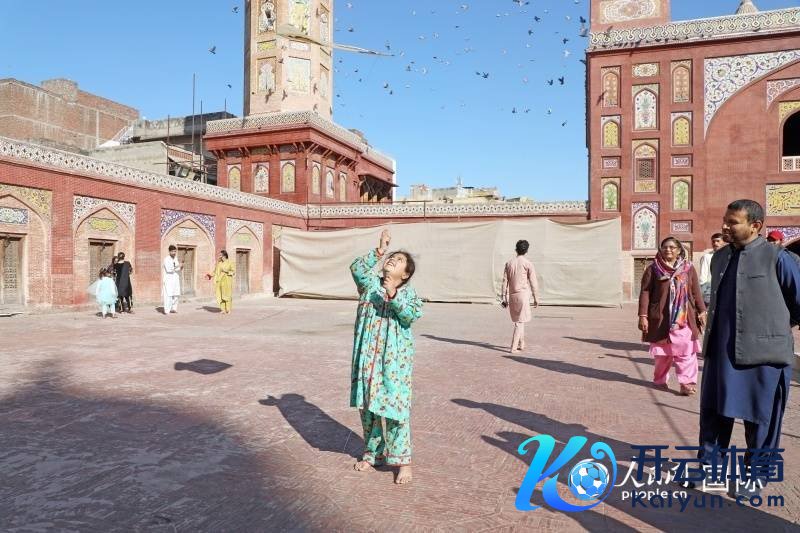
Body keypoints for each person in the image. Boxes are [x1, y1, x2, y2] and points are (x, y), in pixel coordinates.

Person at [699, 199, 800, 498]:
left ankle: (756, 476)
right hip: (721, 353)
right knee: (714, 415)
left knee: (760, 420)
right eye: (725, 220)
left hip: (764, 357)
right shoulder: (719, 258)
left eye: (733, 222)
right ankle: (710, 470)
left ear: (755, 225)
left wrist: (772, 328)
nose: (725, 226)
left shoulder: (778, 258)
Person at [350, 229, 423, 485]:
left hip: (393, 365)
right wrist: (379, 250)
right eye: (391, 257)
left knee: (394, 410)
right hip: (367, 360)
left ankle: (403, 462)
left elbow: (411, 316)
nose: (392, 260)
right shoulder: (369, 285)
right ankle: (373, 454)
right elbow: (357, 268)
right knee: (368, 410)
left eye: (399, 260)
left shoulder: (409, 294)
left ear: (406, 274)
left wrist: (393, 293)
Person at [638, 237, 707, 396]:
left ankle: (686, 383)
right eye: (665, 247)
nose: (668, 250)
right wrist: (643, 315)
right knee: (662, 355)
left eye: (672, 247)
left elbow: (695, 291)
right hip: (661, 319)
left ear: (679, 250)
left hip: (684, 318)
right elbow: (645, 292)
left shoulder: (688, 268)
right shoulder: (653, 269)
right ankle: (660, 379)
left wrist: (702, 310)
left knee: (687, 351)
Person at [501, 240, 540, 354]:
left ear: (516, 249)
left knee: (520, 320)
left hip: (512, 296)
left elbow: (504, 282)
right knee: (520, 322)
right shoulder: (528, 263)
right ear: (526, 251)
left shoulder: (509, 263)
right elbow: (533, 282)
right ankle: (513, 347)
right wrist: (536, 298)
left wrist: (504, 297)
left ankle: (521, 343)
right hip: (523, 295)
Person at [698, 233, 725, 307]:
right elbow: (703, 276)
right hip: (710, 288)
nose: (715, 243)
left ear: (724, 242)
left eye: (718, 241)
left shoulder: (728, 256)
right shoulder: (707, 257)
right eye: (713, 241)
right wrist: (703, 291)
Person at [208, 250, 235, 314]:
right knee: (220, 295)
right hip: (219, 281)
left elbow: (233, 271)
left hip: (227, 281)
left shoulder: (230, 262)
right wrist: (210, 275)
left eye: (220, 255)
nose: (219, 256)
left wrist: (227, 272)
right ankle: (223, 309)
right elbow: (215, 271)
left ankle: (228, 309)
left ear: (224, 256)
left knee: (227, 295)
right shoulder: (219, 263)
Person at [162, 245, 182, 315]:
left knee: (176, 294)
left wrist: (181, 266)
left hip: (175, 279)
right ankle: (167, 310)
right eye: (173, 251)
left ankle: (174, 308)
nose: (174, 253)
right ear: (169, 251)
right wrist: (178, 266)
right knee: (168, 295)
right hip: (169, 280)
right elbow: (169, 269)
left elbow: (178, 269)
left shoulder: (175, 258)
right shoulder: (166, 259)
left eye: (175, 251)